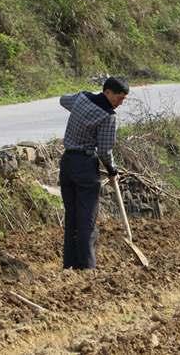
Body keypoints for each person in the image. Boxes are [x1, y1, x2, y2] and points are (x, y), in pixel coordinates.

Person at [59, 77, 129, 269]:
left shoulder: (82, 98)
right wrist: (112, 170)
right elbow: (105, 151)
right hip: (85, 166)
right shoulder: (108, 117)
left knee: (72, 216)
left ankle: (69, 264)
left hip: (67, 163)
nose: (120, 102)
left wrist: (81, 113)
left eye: (124, 99)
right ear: (107, 92)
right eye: (119, 97)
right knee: (87, 219)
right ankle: (87, 266)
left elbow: (63, 100)